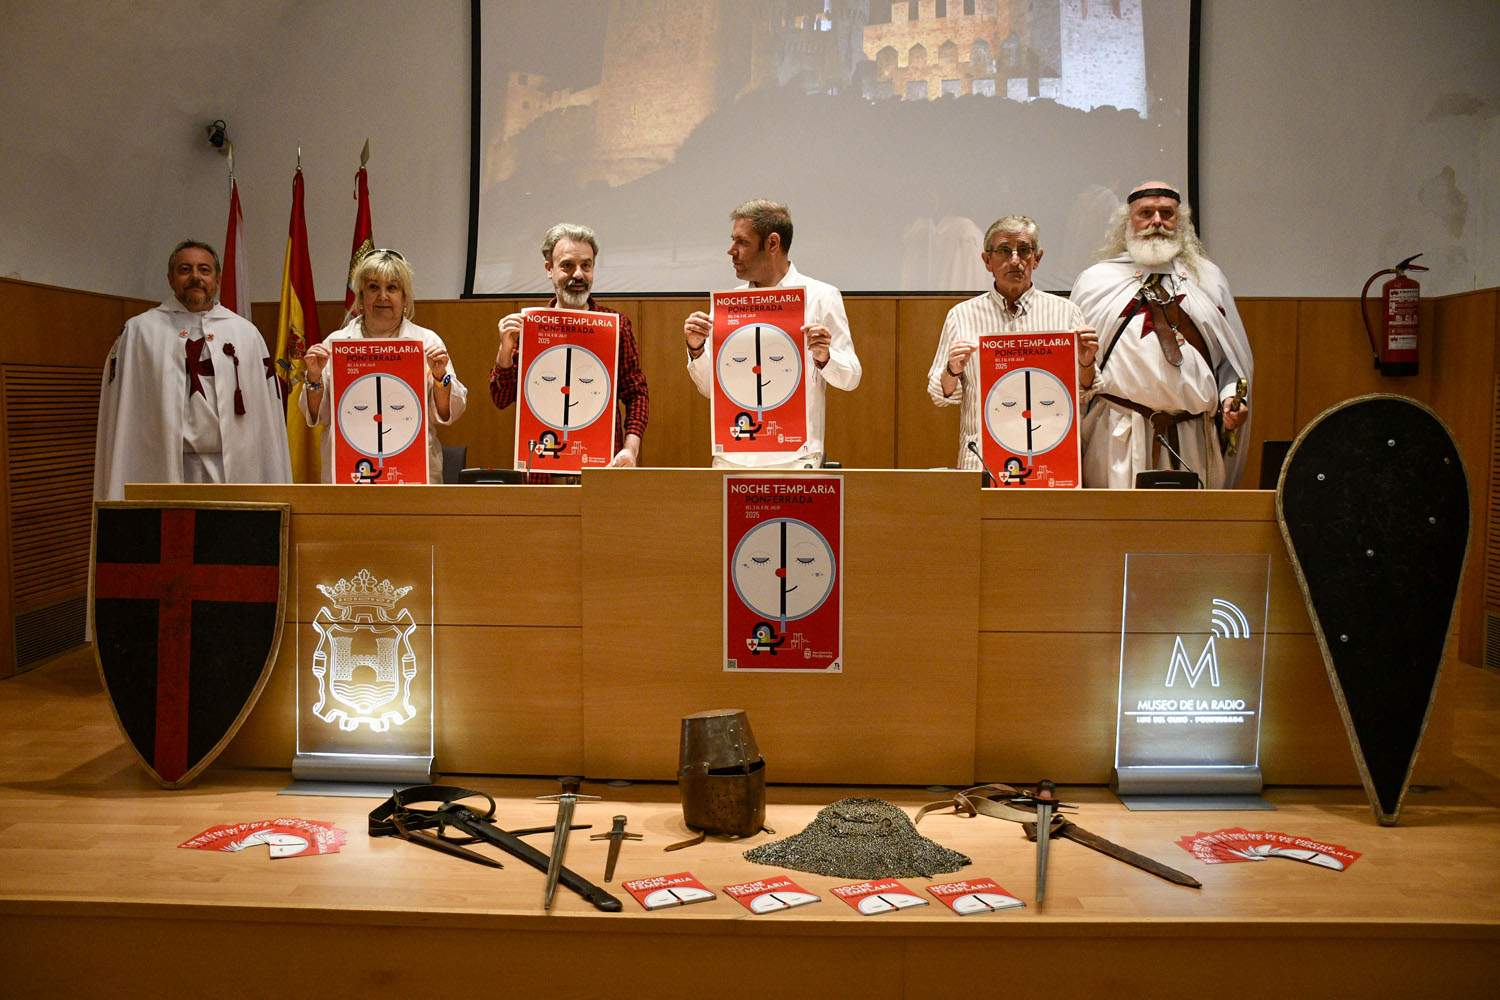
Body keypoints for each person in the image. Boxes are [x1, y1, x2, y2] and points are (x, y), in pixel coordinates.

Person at [1070, 182, 1253, 489]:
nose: (1156, 221)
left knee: (1189, 535)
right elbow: (1074, 368)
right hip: (1117, 439)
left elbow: (1229, 364)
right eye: (1146, 213)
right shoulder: (1095, 282)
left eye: (1166, 213)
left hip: (1194, 439)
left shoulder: (1208, 280)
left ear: (1180, 222)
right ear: (1128, 222)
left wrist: (1231, 398)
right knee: (1115, 534)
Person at [94, 240, 290, 500]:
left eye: (204, 270)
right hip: (162, 466)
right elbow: (121, 412)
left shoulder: (245, 334)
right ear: (170, 279)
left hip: (232, 468)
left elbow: (267, 415)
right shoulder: (140, 332)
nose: (195, 277)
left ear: (217, 279)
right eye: (185, 269)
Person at [683, 199, 861, 469]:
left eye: (742, 242)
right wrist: (696, 349)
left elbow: (850, 378)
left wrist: (825, 357)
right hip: (733, 459)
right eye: (733, 241)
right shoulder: (728, 306)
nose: (731, 251)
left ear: (773, 243)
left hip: (795, 460)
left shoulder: (820, 297)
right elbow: (712, 390)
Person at [926, 215, 1097, 471]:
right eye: (1005, 251)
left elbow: (1086, 391)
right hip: (982, 459)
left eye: (1024, 251)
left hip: (1051, 458)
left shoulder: (1066, 313)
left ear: (1037, 258)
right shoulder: (962, 315)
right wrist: (953, 370)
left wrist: (1086, 363)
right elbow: (941, 395)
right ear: (987, 260)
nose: (1015, 260)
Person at [301, 249, 466, 483]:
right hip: (350, 476)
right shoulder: (335, 344)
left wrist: (441, 378)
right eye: (373, 287)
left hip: (413, 477)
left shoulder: (427, 342)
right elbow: (319, 416)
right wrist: (314, 378)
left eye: (392, 288)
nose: (382, 296)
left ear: (405, 297)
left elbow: (448, 413)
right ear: (360, 295)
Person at [489, 223, 648, 467]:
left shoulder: (616, 326)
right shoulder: (529, 327)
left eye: (586, 265)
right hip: (542, 469)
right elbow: (501, 398)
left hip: (603, 467)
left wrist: (630, 449)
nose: (578, 275)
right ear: (549, 269)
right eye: (567, 265)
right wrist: (504, 354)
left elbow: (636, 393)